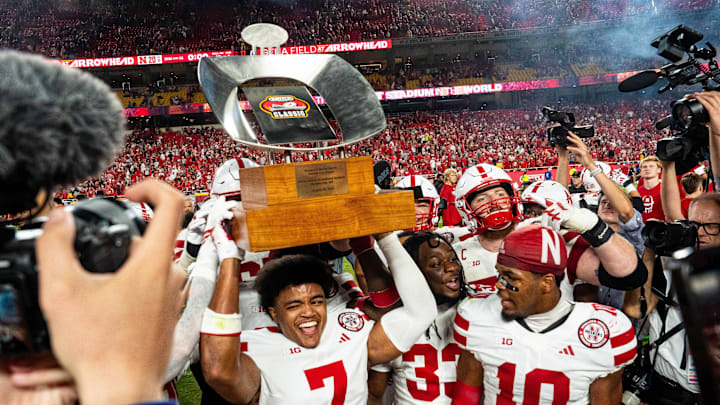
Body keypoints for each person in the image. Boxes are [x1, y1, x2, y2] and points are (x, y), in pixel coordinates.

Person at [200, 230, 438, 404]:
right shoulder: (255, 344)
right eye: (294, 305)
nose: (308, 312)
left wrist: (383, 237)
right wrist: (230, 261)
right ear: (273, 312)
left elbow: (421, 312)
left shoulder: (348, 327)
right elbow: (218, 371)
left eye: (316, 301)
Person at [452, 225, 636, 405]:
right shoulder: (476, 316)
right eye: (500, 274)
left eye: (511, 277)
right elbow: (465, 397)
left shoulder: (604, 331)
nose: (499, 285)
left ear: (547, 283)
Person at [443, 163, 644, 298]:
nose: (495, 203)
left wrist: (594, 227)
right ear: (465, 208)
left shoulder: (549, 235)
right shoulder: (454, 251)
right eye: (482, 199)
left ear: (513, 196)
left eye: (499, 194)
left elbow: (629, 277)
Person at [368, 232, 465, 404]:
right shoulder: (396, 320)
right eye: (436, 264)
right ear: (414, 275)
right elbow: (375, 392)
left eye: (453, 259)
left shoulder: (476, 312)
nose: (452, 267)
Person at [637, 156, 665, 222]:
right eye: (644, 167)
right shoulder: (637, 192)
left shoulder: (665, 191)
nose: (647, 169)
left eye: (651, 166)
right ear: (640, 171)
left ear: (659, 170)